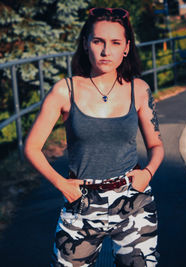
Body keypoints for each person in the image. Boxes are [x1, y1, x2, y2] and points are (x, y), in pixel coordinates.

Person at [24, 7, 164, 267]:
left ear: (126, 48)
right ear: (86, 43)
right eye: (98, 41)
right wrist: (61, 184)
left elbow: (156, 145)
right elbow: (32, 147)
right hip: (81, 203)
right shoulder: (65, 91)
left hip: (133, 200)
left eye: (115, 43)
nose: (105, 51)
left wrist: (148, 173)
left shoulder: (140, 89)